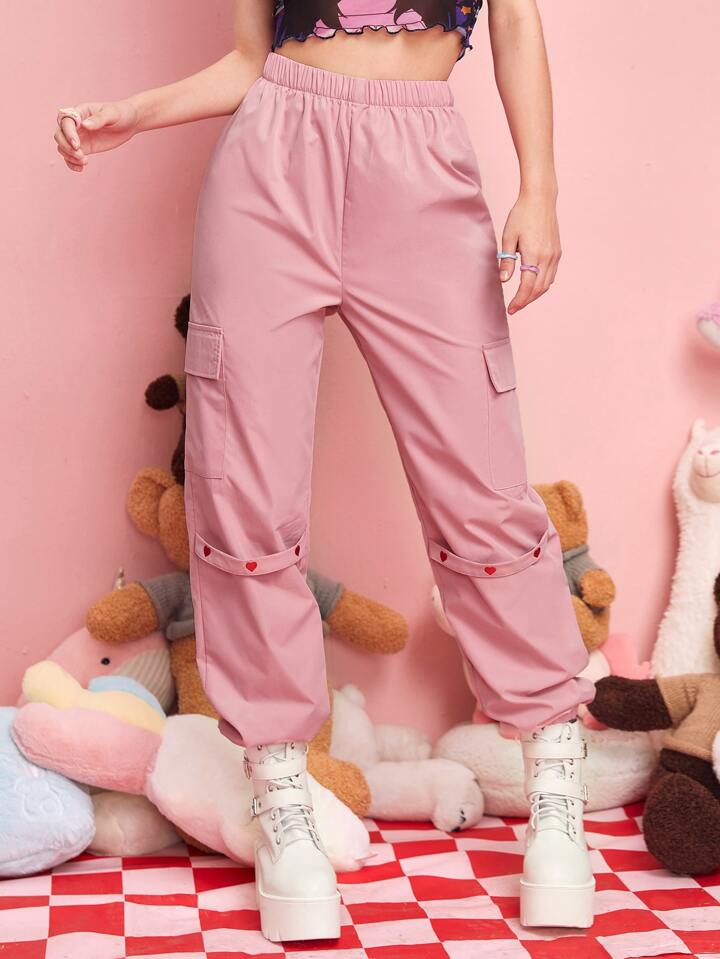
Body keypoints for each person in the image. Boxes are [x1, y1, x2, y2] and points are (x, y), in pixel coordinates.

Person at [54, 0, 597, 942]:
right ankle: (281, 795)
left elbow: (514, 16)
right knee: (243, 487)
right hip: (272, 165)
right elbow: (248, 61)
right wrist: (137, 115)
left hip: (422, 168)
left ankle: (555, 788)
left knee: (481, 488)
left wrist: (540, 186)